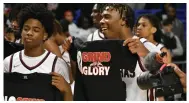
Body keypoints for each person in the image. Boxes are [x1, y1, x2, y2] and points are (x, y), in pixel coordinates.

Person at [4, 4, 72, 101]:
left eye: (35, 30)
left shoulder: (57, 64)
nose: (29, 33)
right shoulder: (8, 62)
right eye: (26, 29)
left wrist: (67, 90)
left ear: (45, 35)